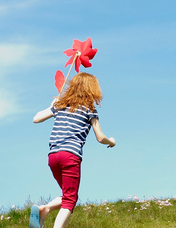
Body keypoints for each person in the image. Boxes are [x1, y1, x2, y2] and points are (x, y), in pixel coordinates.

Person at [30, 72, 116, 228]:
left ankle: (45, 209)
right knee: (70, 200)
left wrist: (52, 106)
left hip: (53, 156)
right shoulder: (90, 109)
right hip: (70, 155)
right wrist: (112, 141)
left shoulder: (61, 104)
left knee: (69, 195)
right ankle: (50, 216)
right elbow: (100, 137)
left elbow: (36, 119)